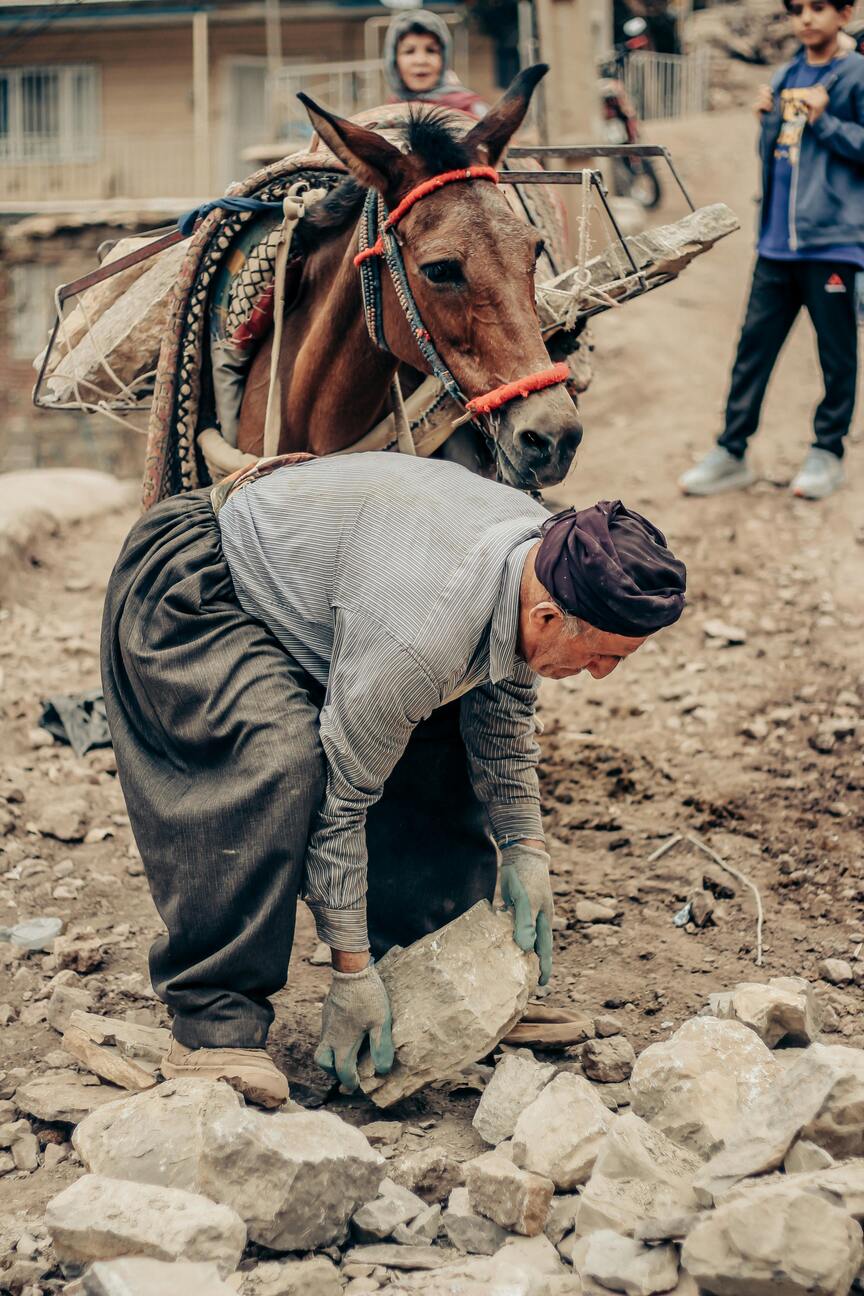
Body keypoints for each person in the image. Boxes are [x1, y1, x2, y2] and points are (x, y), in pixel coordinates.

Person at [101, 453, 686, 1107]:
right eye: (601, 656)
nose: (602, 674)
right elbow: (341, 806)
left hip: (334, 590)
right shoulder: (419, 638)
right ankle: (214, 1025)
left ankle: (433, 979)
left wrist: (527, 846)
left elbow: (502, 719)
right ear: (548, 616)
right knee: (283, 759)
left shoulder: (541, 557)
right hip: (201, 582)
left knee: (440, 730)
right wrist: (348, 970)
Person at [680, 0, 863, 501]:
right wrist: (765, 120)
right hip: (776, 245)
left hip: (833, 246)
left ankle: (828, 454)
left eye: (819, 7)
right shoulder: (785, 75)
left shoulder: (855, 76)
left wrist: (825, 119)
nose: (806, 18)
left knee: (837, 356)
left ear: (844, 13)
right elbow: (781, 153)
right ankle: (730, 452)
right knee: (752, 352)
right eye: (797, 9)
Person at [384, 9, 488, 120]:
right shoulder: (385, 115)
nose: (421, 61)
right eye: (409, 51)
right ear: (394, 60)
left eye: (431, 50)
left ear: (444, 57)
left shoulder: (473, 111)